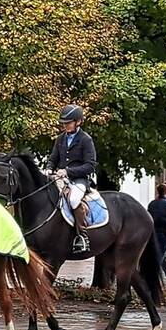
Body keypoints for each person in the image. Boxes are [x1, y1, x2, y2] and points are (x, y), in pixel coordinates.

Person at [45, 104, 96, 253]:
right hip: (60, 178)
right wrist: (49, 168)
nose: (65, 126)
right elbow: (53, 158)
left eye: (68, 123)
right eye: (64, 123)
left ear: (78, 122)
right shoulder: (60, 139)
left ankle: (82, 237)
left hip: (79, 180)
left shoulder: (86, 140)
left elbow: (90, 166)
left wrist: (67, 171)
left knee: (73, 200)